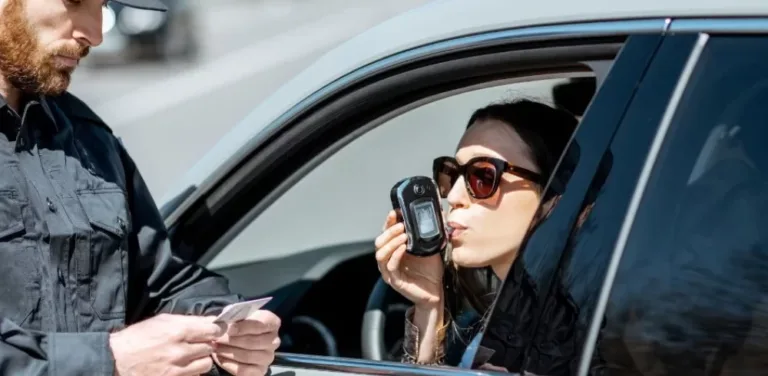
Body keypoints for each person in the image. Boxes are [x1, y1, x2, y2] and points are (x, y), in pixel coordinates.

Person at [0, 0, 280, 375]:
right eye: (77, 2)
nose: (95, 34)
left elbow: (156, 283)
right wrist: (109, 360)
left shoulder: (86, 136)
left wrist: (227, 326)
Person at [374, 98, 578, 365]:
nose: (454, 196)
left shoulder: (575, 331)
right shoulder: (509, 317)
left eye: (482, 176)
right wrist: (429, 305)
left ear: (552, 197)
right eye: (451, 175)